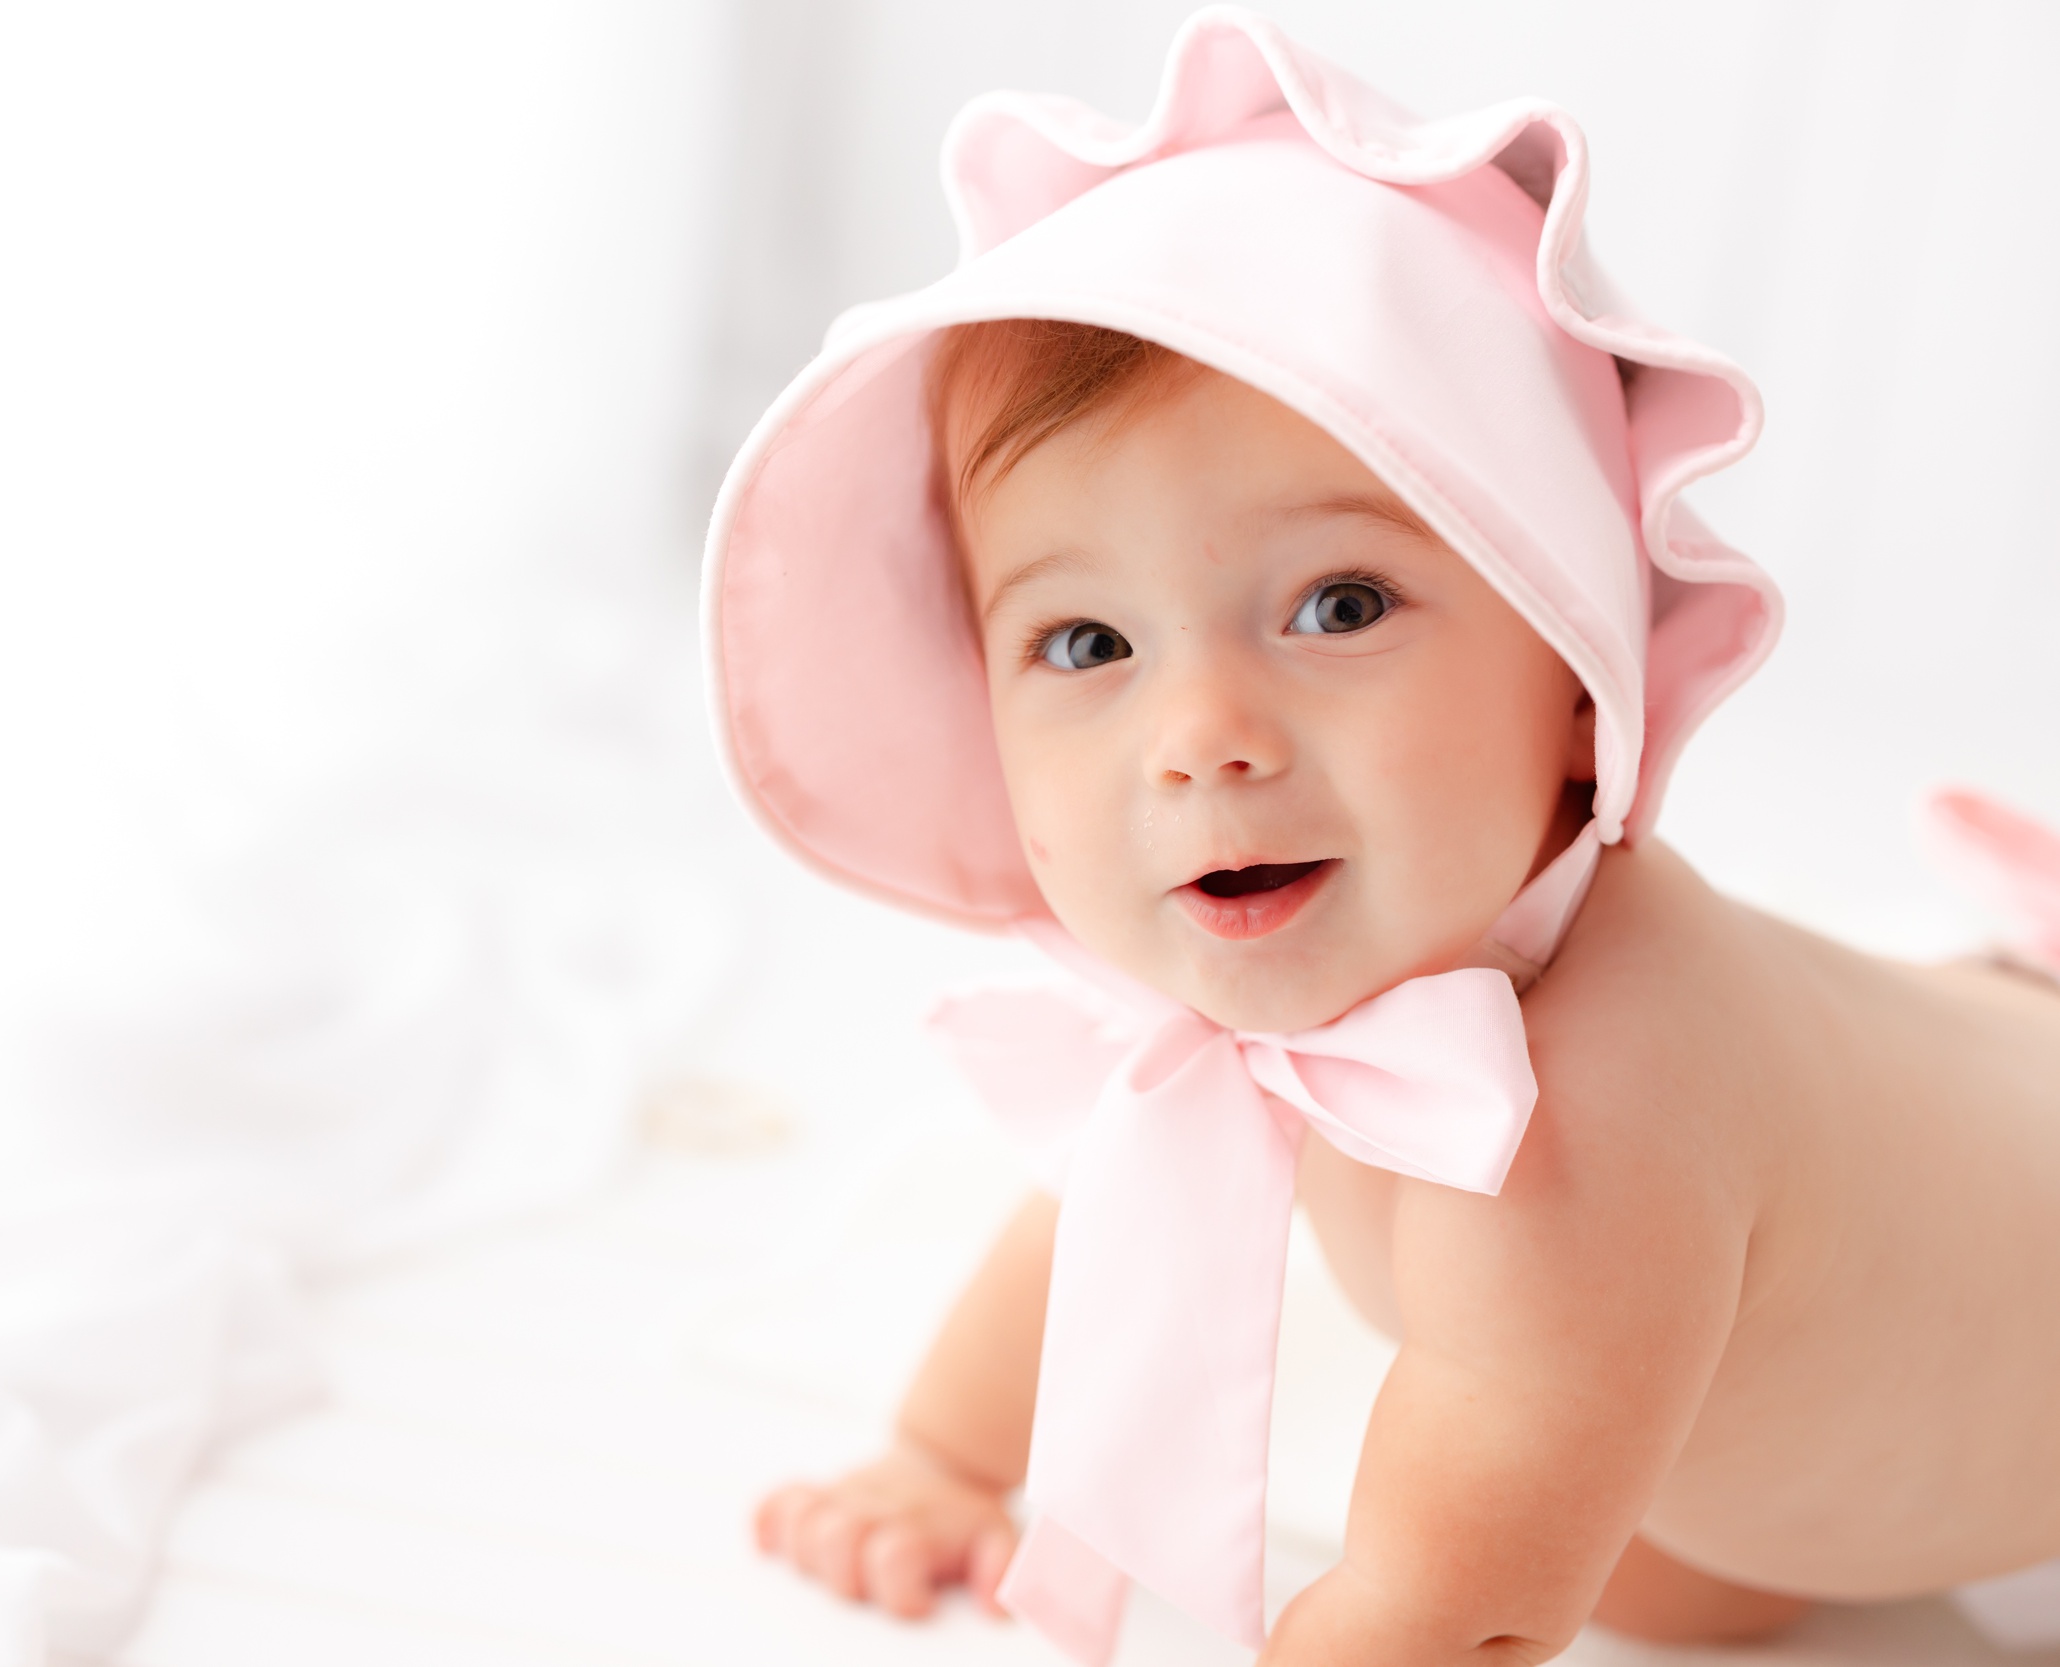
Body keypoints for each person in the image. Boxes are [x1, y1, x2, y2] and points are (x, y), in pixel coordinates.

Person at [700, 10, 2060, 1665]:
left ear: (1577, 675)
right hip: (1833, 1408)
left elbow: (1448, 1617)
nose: (1201, 742)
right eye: (1086, 646)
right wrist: (942, 1461)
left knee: (1574, 1487)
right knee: (1671, 1549)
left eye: (1337, 606)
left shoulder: (1602, 1104)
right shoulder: (1315, 958)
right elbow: (1111, 1219)